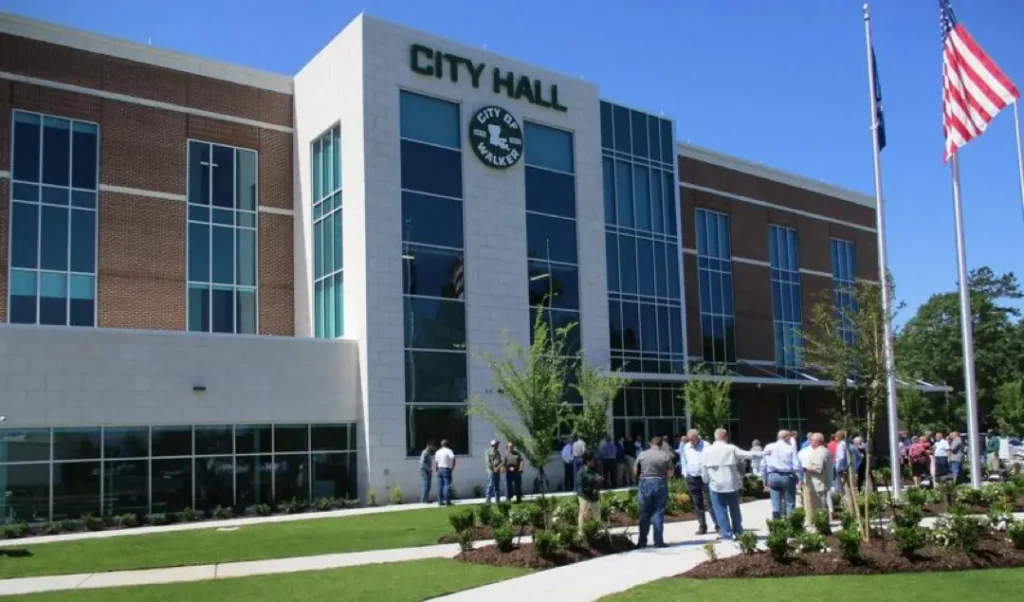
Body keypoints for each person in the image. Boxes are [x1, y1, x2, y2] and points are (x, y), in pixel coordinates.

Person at [702, 428, 757, 541]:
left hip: (715, 485)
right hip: (731, 484)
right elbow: (746, 454)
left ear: (716, 437)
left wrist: (706, 480)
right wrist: (763, 453)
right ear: (726, 436)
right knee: (735, 509)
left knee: (720, 510)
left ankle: (727, 534)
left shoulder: (707, 450)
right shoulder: (730, 448)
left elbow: (704, 468)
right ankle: (738, 531)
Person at [634, 436, 673, 548]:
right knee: (658, 512)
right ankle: (658, 541)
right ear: (661, 444)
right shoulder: (665, 455)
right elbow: (670, 473)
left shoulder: (642, 454)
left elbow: (635, 470)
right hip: (659, 482)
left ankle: (642, 542)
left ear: (650, 443)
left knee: (644, 512)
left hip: (645, 482)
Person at [680, 429, 720, 535]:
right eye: (689, 439)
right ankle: (702, 526)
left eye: (692, 439)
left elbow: (713, 459)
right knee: (697, 503)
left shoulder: (706, 445)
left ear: (697, 437)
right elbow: (683, 461)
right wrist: (685, 474)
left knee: (711, 502)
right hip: (692, 477)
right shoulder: (686, 447)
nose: (691, 441)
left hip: (705, 477)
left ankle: (718, 526)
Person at [762, 429, 800, 519]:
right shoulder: (790, 448)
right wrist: (799, 478)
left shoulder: (768, 447)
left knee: (775, 505)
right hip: (787, 475)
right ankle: (791, 526)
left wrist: (764, 479)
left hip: (772, 475)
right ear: (786, 437)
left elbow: (763, 465)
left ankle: (777, 526)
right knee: (790, 503)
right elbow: (796, 465)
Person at [798, 433, 833, 524]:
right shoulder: (825, 450)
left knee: (819, 506)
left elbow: (817, 469)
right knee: (821, 505)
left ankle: (821, 525)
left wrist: (803, 469)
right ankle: (821, 523)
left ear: (818, 442)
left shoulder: (819, 452)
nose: (810, 441)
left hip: (818, 483)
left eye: (812, 440)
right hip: (823, 482)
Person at [576, 451, 603, 533]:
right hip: (584, 495)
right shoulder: (582, 472)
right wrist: (594, 480)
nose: (594, 461)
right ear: (587, 461)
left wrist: (599, 482)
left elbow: (599, 480)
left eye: (594, 460)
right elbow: (579, 485)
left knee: (597, 513)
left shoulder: (596, 469)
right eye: (592, 460)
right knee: (584, 513)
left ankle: (597, 530)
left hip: (594, 494)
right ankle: (581, 532)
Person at [434, 439, 456, 506]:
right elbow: (453, 459)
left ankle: (440, 501)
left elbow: (436, 462)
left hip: (439, 469)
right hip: (446, 469)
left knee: (439, 486)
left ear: (441, 444)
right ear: (447, 444)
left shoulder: (438, 451)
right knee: (447, 486)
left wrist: (436, 469)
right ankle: (447, 501)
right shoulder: (449, 451)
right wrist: (452, 468)